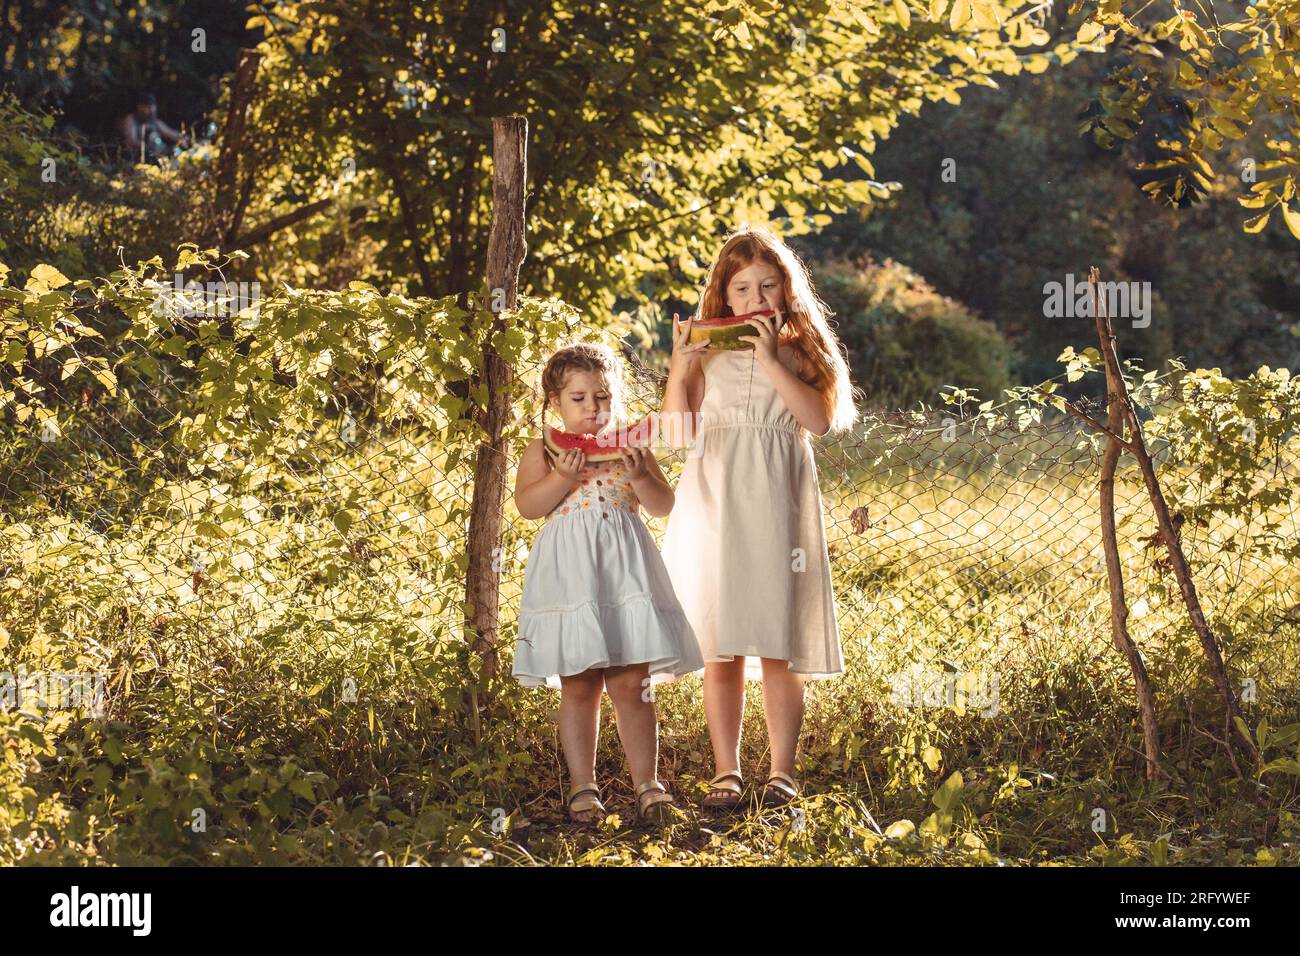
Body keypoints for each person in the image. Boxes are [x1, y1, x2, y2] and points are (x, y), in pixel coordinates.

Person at [659, 224, 860, 813]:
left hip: (776, 501)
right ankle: (727, 770)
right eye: (741, 289)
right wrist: (679, 367)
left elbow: (817, 422)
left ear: (786, 290)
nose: (755, 300)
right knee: (719, 642)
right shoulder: (706, 353)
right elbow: (675, 434)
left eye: (767, 286)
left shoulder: (803, 352)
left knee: (776, 639)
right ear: (723, 297)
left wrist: (771, 359)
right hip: (714, 496)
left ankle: (781, 771)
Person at [512, 341, 704, 825]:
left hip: (624, 579)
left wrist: (641, 477)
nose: (593, 410)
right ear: (554, 402)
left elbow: (663, 506)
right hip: (574, 581)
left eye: (601, 398)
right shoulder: (541, 450)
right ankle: (583, 787)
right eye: (579, 399)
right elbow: (528, 506)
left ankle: (648, 784)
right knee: (578, 685)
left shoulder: (633, 448)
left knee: (633, 683)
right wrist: (560, 478)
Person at [117, 92, 189, 162]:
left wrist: (184, 139)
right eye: (148, 107)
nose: (151, 110)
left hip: (156, 155)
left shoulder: (154, 121)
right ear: (140, 107)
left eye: (153, 106)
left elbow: (171, 134)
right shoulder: (130, 120)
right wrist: (150, 149)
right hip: (136, 157)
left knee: (176, 151)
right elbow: (132, 142)